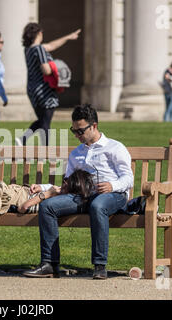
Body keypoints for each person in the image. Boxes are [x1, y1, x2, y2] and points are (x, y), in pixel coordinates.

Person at [22, 104, 134, 280]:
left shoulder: (114, 147)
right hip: (83, 196)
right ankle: (49, 264)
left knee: (97, 206)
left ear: (94, 126)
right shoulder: (76, 153)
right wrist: (44, 188)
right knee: (48, 206)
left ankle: (99, 265)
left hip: (113, 195)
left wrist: (112, 186)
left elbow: (129, 178)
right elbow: (67, 186)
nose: (76, 135)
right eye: (73, 131)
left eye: (80, 131)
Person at [16, 23, 80, 146]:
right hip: (44, 90)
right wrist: (55, 65)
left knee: (42, 120)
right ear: (39, 34)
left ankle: (22, 139)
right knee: (45, 122)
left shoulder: (29, 49)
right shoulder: (39, 49)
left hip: (32, 90)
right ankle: (45, 151)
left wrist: (68, 37)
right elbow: (46, 70)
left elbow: (51, 45)